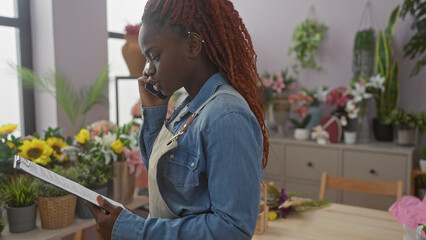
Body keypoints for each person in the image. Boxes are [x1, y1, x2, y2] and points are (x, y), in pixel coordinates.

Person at [86, 0, 269, 239]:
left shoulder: (227, 117)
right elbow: (164, 184)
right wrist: (154, 115)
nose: (147, 70)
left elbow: (232, 229)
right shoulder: (190, 107)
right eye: (147, 59)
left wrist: (135, 230)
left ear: (192, 46)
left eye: (155, 56)